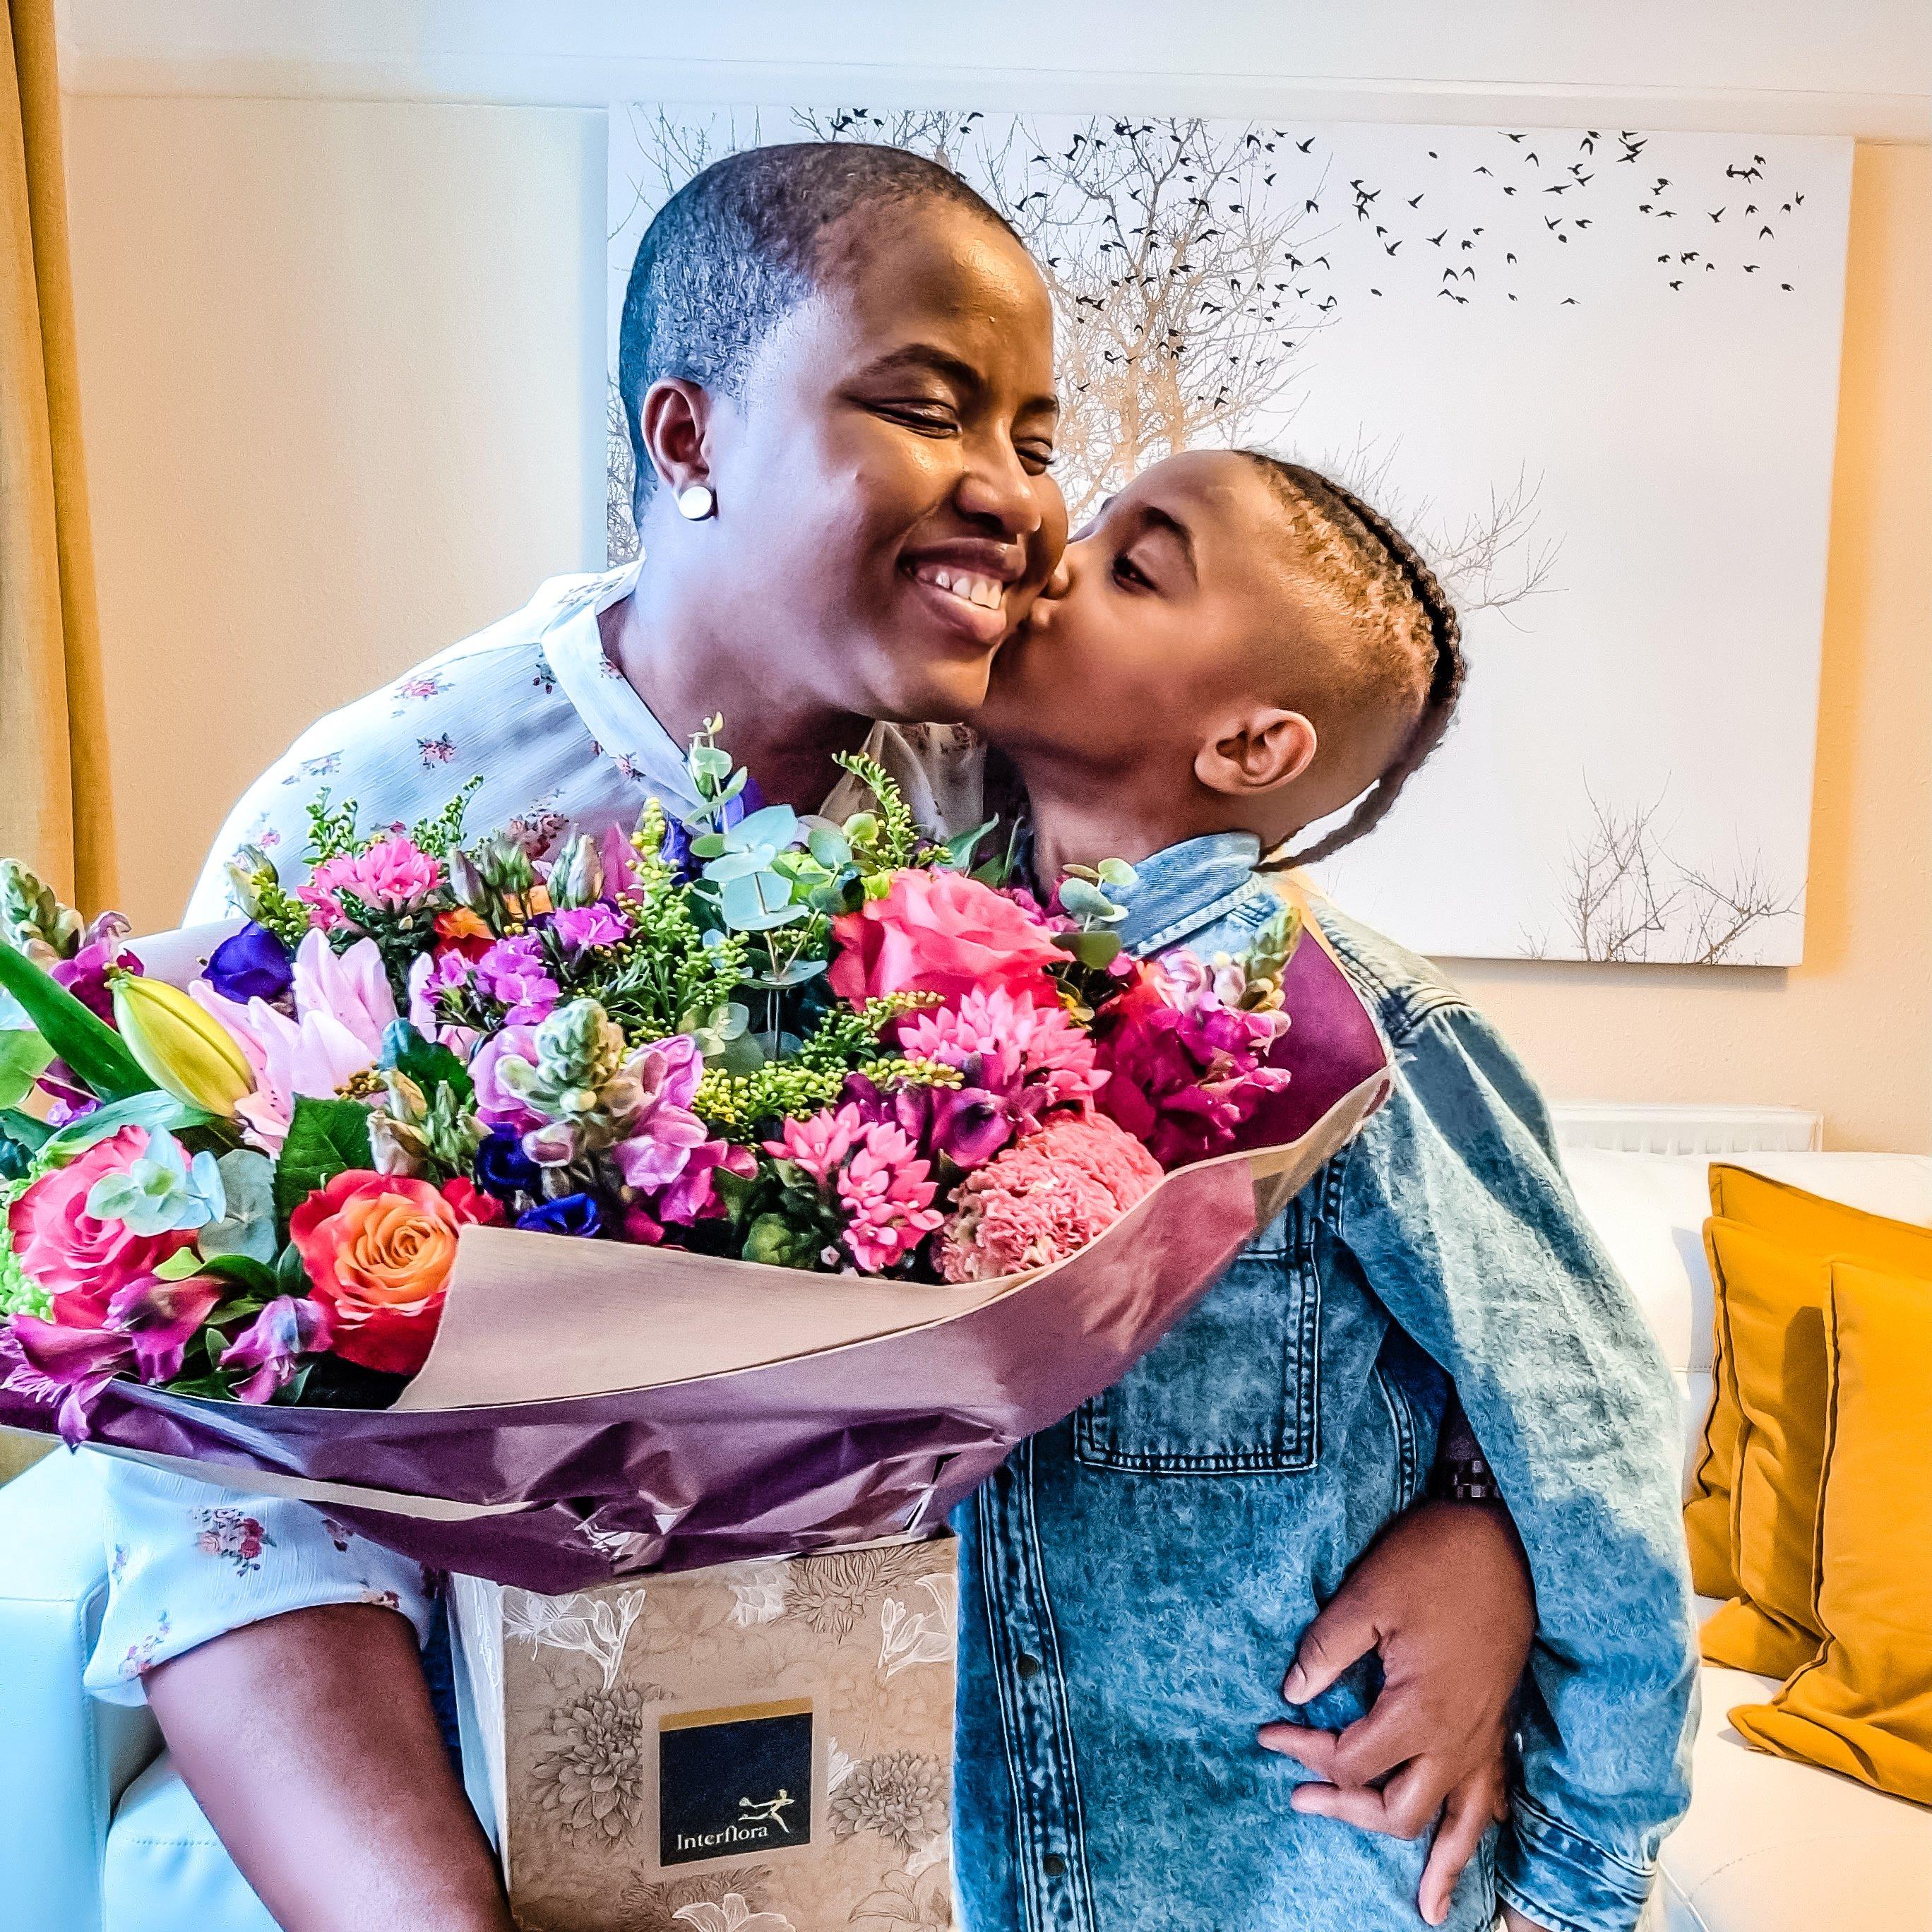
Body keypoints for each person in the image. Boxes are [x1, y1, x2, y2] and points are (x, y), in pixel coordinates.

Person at [87, 146, 1539, 1932]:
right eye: (931, 408)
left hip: (981, 1796)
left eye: (1032, 433)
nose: (1017, 499)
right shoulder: (372, 821)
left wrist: (1490, 1520)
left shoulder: (1021, 784)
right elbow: (220, 1489)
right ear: (687, 440)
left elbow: (1377, 1185)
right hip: (493, 1741)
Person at [953, 447, 1698, 1932]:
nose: (1054, 552)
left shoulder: (1352, 1031)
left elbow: (1588, 1454)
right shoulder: (899, 983)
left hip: (1288, 1873)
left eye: (1133, 561)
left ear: (1250, 746)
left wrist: (1571, 1893)